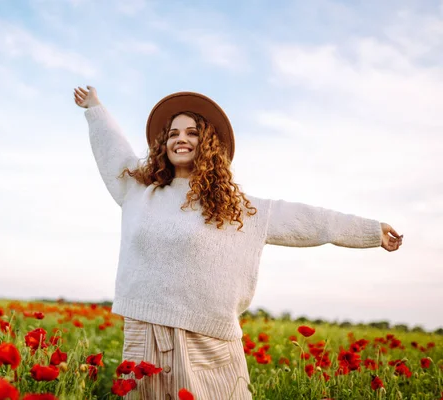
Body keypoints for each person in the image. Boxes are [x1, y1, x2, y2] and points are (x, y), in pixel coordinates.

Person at [73, 85, 403, 400]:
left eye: (192, 133)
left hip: (206, 337)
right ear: (163, 144)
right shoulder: (139, 193)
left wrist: (371, 232)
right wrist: (95, 110)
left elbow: (307, 221)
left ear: (208, 144)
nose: (181, 139)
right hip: (145, 332)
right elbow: (113, 152)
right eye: (173, 133)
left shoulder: (233, 208)